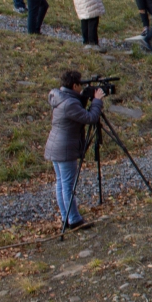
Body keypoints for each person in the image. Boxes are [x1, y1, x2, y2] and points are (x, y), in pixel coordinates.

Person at [44, 69, 104, 230]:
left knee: (61, 184)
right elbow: (90, 118)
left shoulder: (61, 97)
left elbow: (79, 112)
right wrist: (97, 101)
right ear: (75, 85)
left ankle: (66, 217)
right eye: (80, 84)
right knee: (67, 185)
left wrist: (84, 97)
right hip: (65, 148)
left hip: (56, 145)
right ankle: (74, 219)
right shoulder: (69, 103)